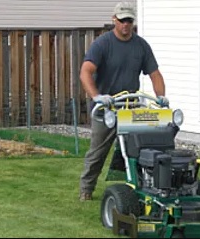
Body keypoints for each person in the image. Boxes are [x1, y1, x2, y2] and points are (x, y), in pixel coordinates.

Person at [79, 1, 169, 201]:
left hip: (130, 107)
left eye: (129, 20)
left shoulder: (141, 46)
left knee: (138, 150)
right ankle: (86, 189)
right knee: (98, 151)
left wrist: (161, 96)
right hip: (106, 108)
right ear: (114, 20)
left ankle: (141, 189)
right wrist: (97, 97)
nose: (126, 25)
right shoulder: (103, 44)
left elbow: (155, 74)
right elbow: (85, 72)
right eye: (122, 21)